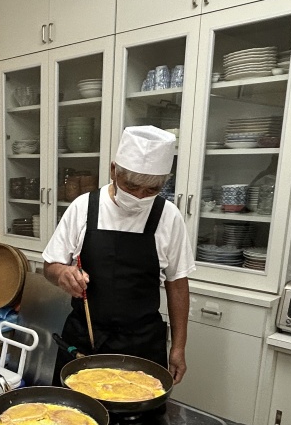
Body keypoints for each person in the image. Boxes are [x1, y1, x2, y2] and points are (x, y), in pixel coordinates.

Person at [43, 125, 194, 385]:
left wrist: (179, 347)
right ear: (114, 170)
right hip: (84, 339)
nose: (139, 197)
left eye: (151, 190)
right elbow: (50, 267)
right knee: (73, 409)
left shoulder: (169, 216)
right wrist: (63, 273)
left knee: (140, 409)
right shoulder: (83, 207)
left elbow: (177, 284)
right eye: (131, 186)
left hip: (142, 345)